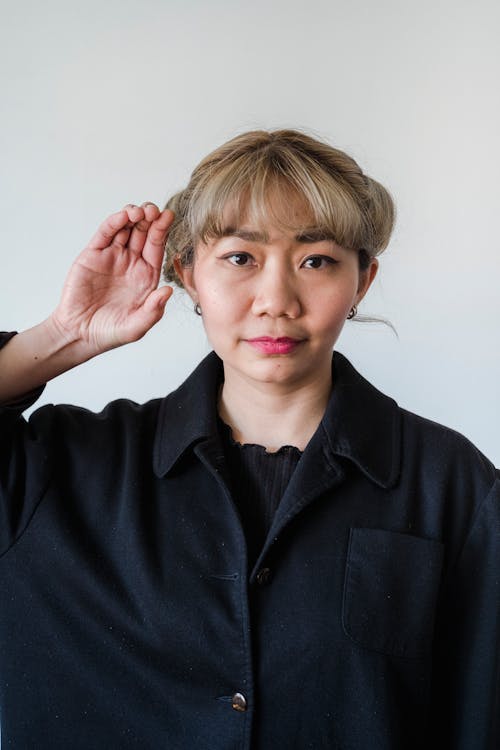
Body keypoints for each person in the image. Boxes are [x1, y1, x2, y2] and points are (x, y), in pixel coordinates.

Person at [0, 129, 498, 750]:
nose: (276, 300)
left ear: (362, 281)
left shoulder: (455, 487)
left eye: (316, 260)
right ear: (187, 273)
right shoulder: (63, 467)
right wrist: (66, 335)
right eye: (240, 258)